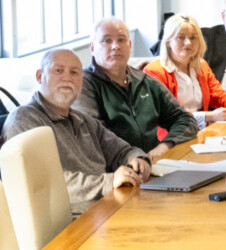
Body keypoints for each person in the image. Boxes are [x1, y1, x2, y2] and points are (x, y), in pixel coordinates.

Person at [2, 49, 151, 214]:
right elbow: (45, 184)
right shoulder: (24, 120)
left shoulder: (83, 120)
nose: (67, 78)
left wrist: (137, 159)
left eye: (75, 73)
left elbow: (121, 150)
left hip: (106, 208)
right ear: (39, 76)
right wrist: (108, 182)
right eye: (58, 71)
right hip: (69, 224)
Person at [75, 18, 197, 160]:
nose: (115, 46)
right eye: (107, 41)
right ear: (92, 48)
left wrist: (165, 146)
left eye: (121, 40)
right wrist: (132, 157)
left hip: (154, 165)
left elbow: (185, 119)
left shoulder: (145, 81)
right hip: (115, 171)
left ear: (130, 45)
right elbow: (93, 134)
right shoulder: (83, 84)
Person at [145, 14, 226, 130]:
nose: (188, 43)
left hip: (202, 131)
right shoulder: (155, 71)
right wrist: (209, 116)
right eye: (181, 37)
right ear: (168, 42)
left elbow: (217, 94)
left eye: (193, 38)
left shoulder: (201, 65)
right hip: (172, 135)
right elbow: (167, 113)